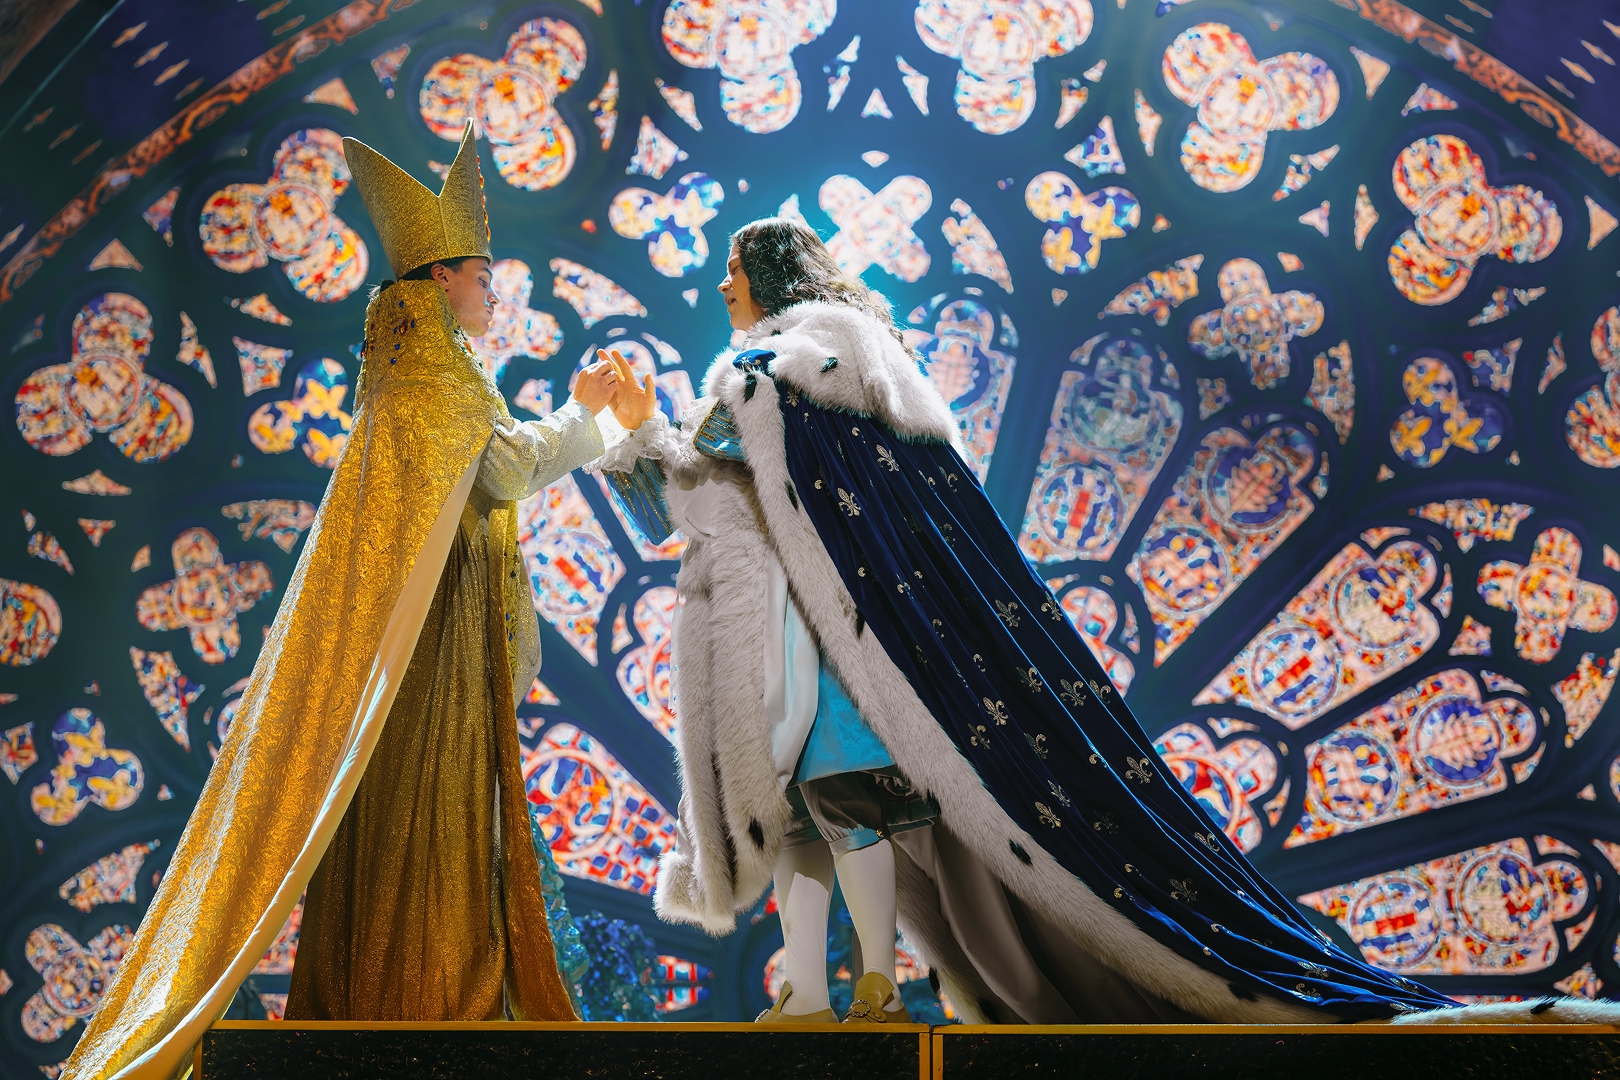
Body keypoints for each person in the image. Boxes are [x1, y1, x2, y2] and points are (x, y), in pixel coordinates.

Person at [591, 217, 1468, 1027]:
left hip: (829, 644)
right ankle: (836, 989)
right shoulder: (835, 371)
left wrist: (651, 429)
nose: (724, 285)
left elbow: (721, 493)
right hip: (846, 643)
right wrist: (641, 432)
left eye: (735, 268)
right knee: (820, 820)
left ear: (773, 274)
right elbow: (751, 507)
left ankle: (850, 991)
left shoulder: (784, 367)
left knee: (831, 811)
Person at [64, 124, 615, 1080]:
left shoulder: (427, 363)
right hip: (431, 640)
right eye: (485, 276)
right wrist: (588, 411)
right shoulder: (433, 366)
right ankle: (428, 997)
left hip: (436, 625)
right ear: (441, 277)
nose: (495, 294)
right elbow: (503, 469)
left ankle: (402, 994)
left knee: (411, 807)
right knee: (427, 808)